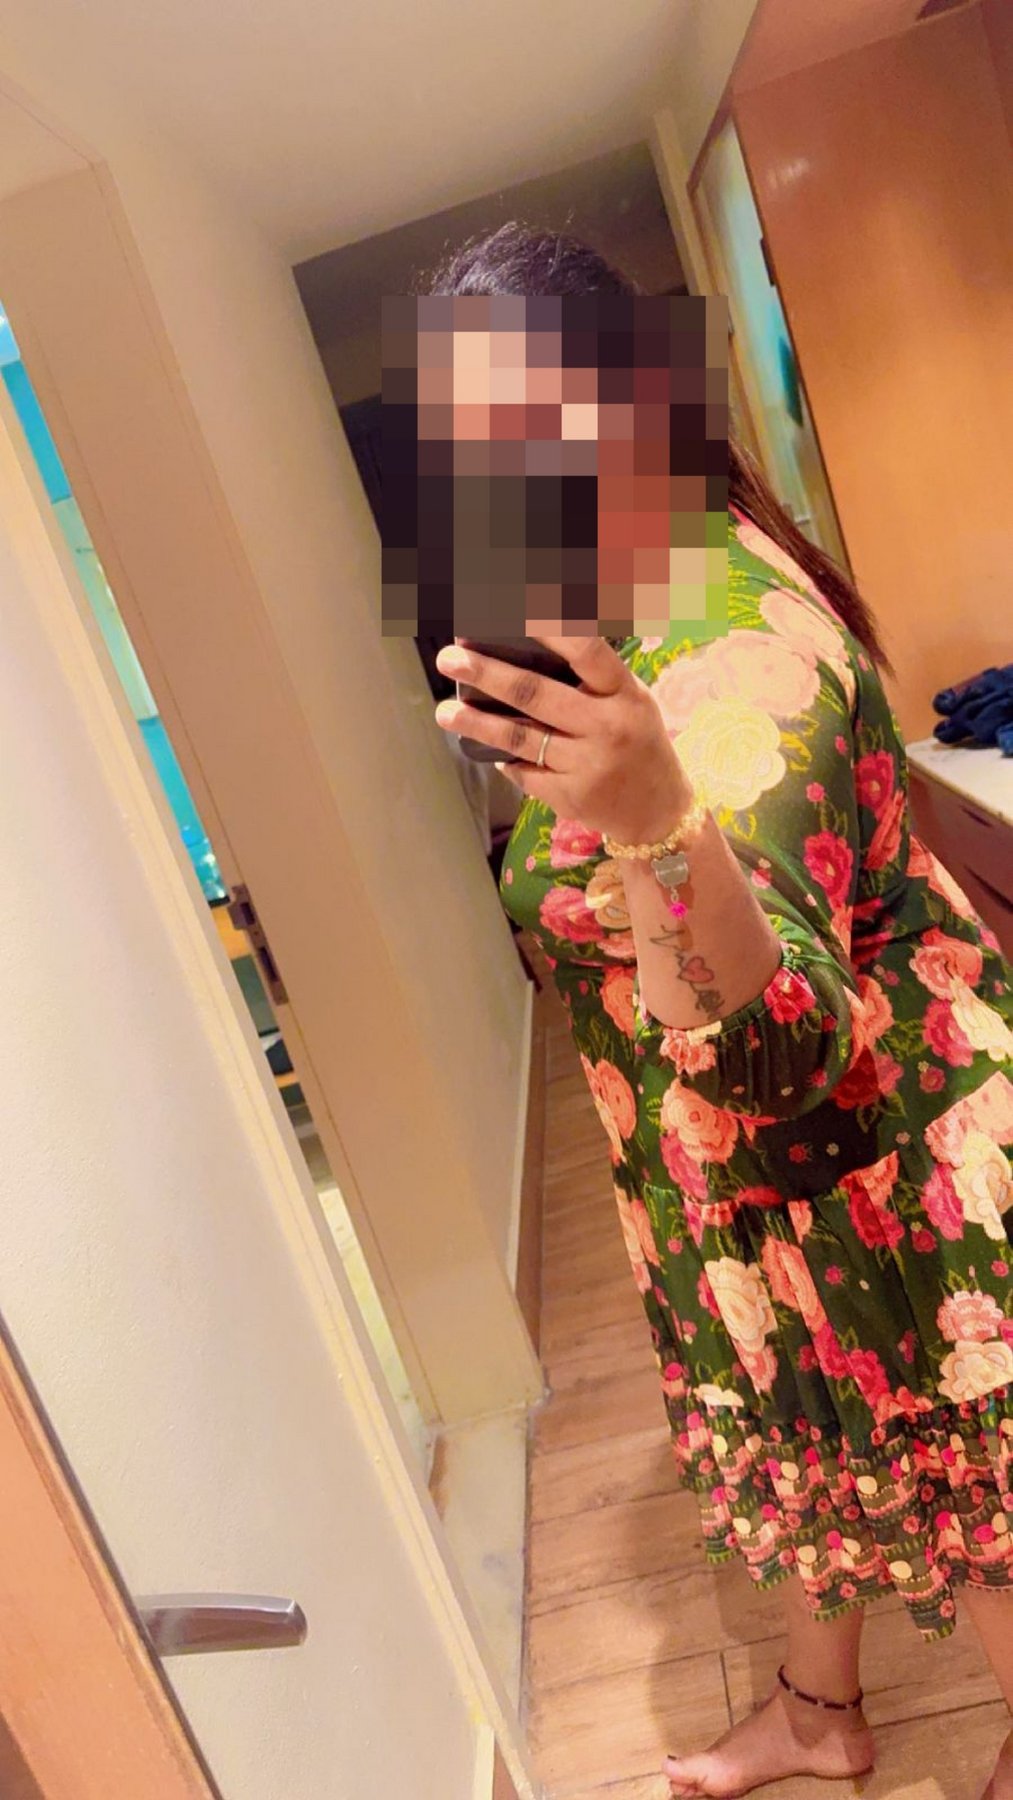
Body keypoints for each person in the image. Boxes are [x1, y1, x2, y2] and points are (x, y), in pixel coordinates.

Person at [421, 223, 1013, 1799]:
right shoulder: (641, 592)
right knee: (833, 1451)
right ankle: (817, 1714)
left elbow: (772, 1053)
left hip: (880, 1180)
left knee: (970, 1505)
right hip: (770, 1196)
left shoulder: (733, 661)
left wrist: (652, 824)